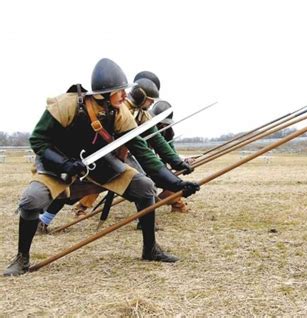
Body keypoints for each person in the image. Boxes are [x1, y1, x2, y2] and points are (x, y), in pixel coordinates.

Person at [4, 58, 200, 276]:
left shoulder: (120, 113)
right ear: (104, 93)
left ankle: (150, 249)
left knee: (145, 188)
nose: (125, 96)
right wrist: (65, 164)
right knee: (31, 201)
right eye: (120, 91)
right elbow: (38, 140)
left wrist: (177, 183)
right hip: (58, 165)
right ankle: (22, 259)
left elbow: (143, 152)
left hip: (100, 166)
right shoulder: (67, 104)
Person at [135, 71, 194, 213]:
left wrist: (179, 161)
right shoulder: (134, 114)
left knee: (170, 178)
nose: (162, 126)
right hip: (138, 157)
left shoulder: (166, 129)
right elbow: (144, 149)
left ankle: (174, 203)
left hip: (150, 158)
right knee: (143, 182)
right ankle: (152, 204)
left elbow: (165, 146)